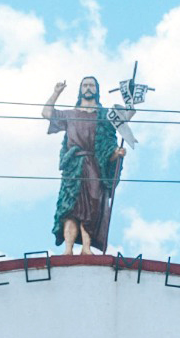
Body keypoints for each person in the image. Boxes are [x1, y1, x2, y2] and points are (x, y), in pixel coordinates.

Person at [42, 76, 125, 255]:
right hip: (73, 166)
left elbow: (109, 141)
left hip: (95, 166)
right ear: (80, 89)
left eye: (92, 85)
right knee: (70, 207)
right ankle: (68, 249)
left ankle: (86, 248)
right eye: (85, 85)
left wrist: (116, 153)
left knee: (92, 208)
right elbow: (47, 113)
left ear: (97, 89)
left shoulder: (104, 116)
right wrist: (56, 93)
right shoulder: (71, 114)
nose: (88, 88)